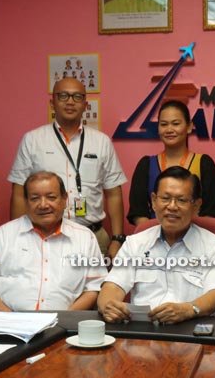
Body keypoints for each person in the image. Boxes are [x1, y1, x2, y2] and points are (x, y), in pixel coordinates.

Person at [98, 167, 215, 324]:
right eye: (165, 198)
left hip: (191, 332)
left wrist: (188, 310)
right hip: (142, 335)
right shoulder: (136, 243)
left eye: (181, 200)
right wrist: (108, 306)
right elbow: (113, 286)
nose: (172, 206)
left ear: (196, 206)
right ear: (154, 201)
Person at [8, 78, 127, 259]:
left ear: (86, 104)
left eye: (77, 97)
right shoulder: (32, 140)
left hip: (93, 237)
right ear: (52, 103)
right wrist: (17, 237)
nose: (70, 101)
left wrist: (117, 238)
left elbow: (114, 193)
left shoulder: (102, 142)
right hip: (43, 237)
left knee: (94, 288)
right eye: (63, 96)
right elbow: (18, 193)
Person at [0, 172, 107, 312]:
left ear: (64, 199)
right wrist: (11, 320)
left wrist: (62, 321)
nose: (43, 205)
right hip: (8, 326)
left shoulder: (84, 238)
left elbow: (94, 287)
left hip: (64, 327)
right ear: (26, 201)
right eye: (35, 198)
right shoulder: (3, 235)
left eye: (51, 197)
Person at [127, 100, 215, 226]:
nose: (169, 129)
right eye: (164, 124)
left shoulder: (204, 164)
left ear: (189, 127)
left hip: (196, 238)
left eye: (176, 124)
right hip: (154, 239)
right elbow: (139, 212)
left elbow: (211, 213)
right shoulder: (146, 165)